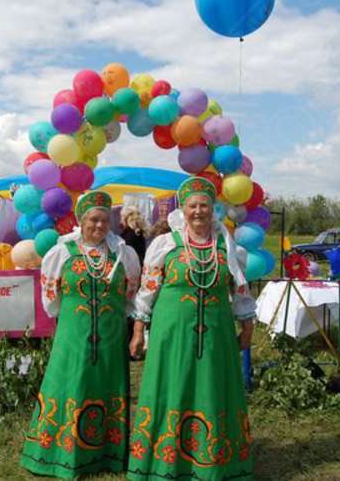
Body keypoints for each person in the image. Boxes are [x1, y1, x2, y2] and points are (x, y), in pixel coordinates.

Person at [127, 177, 255, 480]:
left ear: (213, 210)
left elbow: (240, 291)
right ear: (183, 210)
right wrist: (138, 331)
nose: (198, 211)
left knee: (212, 387)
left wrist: (247, 328)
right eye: (192, 206)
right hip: (171, 333)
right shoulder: (166, 245)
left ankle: (213, 459)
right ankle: (165, 461)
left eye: (204, 206)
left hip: (217, 333)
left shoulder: (227, 247)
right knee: (173, 386)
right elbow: (147, 291)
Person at [20, 191, 141, 478]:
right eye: (93, 220)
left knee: (106, 385)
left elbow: (131, 293)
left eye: (104, 220)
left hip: (111, 336)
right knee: (71, 383)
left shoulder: (123, 254)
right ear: (81, 221)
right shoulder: (62, 252)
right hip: (73, 334)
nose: (99, 225)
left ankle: (108, 454)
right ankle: (63, 454)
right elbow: (51, 299)